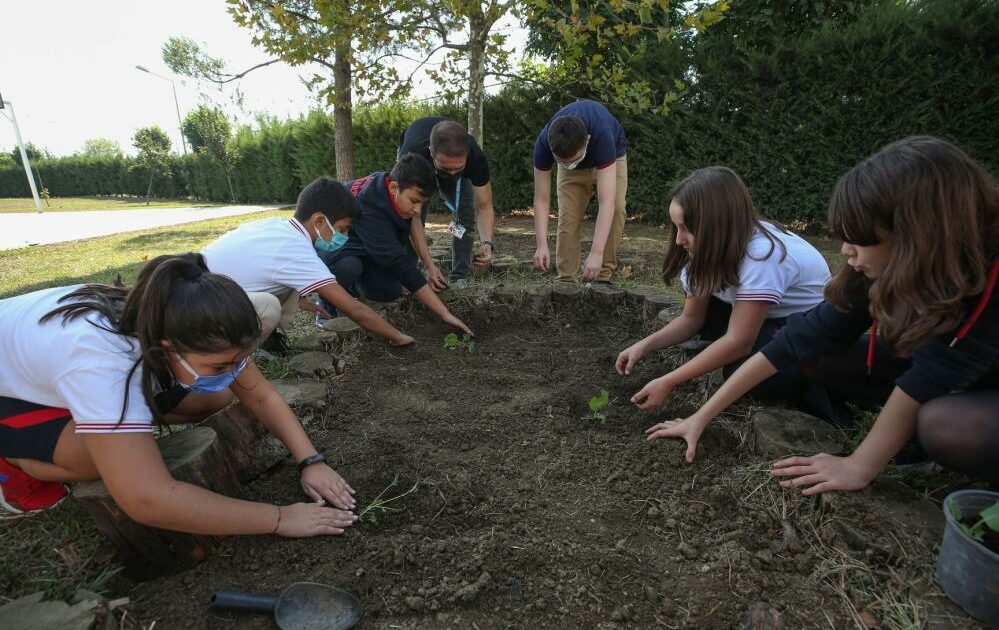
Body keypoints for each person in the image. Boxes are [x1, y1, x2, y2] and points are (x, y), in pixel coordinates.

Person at [646, 137, 999, 493]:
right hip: (952, 371)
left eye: (859, 240)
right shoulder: (877, 266)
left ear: (917, 237)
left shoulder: (987, 278)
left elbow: (932, 374)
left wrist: (859, 466)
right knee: (812, 358)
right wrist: (699, 417)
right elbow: (800, 340)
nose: (845, 251)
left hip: (984, 382)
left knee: (943, 426)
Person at [0, 253, 357, 537]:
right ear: (169, 348)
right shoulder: (102, 363)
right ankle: (13, 465)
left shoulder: (178, 316)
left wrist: (311, 461)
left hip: (48, 366)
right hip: (15, 390)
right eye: (221, 365)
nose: (233, 373)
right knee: (92, 458)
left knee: (214, 398)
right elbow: (146, 498)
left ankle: (102, 423)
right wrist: (279, 518)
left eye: (238, 361)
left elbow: (260, 394)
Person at [619, 166, 831, 409]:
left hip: (806, 323)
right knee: (719, 331)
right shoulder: (711, 248)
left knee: (747, 375)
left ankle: (807, 383)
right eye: (676, 227)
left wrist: (668, 381)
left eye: (687, 228)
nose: (678, 239)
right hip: (765, 311)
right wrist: (643, 346)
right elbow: (691, 319)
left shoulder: (762, 258)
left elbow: (739, 342)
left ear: (715, 227)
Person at [202, 176, 415, 352]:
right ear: (320, 221)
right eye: (342, 229)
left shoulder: (277, 226)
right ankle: (228, 363)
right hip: (201, 310)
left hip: (197, 289)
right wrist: (397, 336)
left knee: (284, 293)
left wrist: (297, 300)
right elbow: (355, 309)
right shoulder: (297, 250)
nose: (345, 236)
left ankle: (267, 341)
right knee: (268, 307)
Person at [317, 153, 473, 336]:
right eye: (414, 201)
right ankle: (327, 299)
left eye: (422, 203)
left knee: (388, 291)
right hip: (335, 249)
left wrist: (428, 264)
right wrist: (444, 313)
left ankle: (354, 287)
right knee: (348, 268)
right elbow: (397, 263)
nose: (418, 210)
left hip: (369, 245)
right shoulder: (370, 206)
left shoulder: (393, 184)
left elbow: (412, 224)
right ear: (393, 188)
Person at [532, 99, 628, 283]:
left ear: (588, 140)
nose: (568, 165)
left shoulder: (602, 135)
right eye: (562, 161)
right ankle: (566, 279)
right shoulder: (544, 144)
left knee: (616, 207)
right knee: (568, 215)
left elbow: (607, 201)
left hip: (611, 158)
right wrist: (541, 245)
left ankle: (602, 276)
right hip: (572, 168)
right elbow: (541, 199)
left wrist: (596, 253)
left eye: (572, 160)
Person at [398, 117, 497, 289]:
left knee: (464, 214)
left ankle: (459, 276)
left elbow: (484, 206)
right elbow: (410, 215)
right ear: (431, 152)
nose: (451, 174)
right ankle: (409, 275)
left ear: (467, 155)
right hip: (418, 166)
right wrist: (429, 265)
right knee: (413, 214)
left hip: (445, 162)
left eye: (458, 168)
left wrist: (487, 243)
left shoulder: (476, 158)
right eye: (446, 169)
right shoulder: (413, 154)